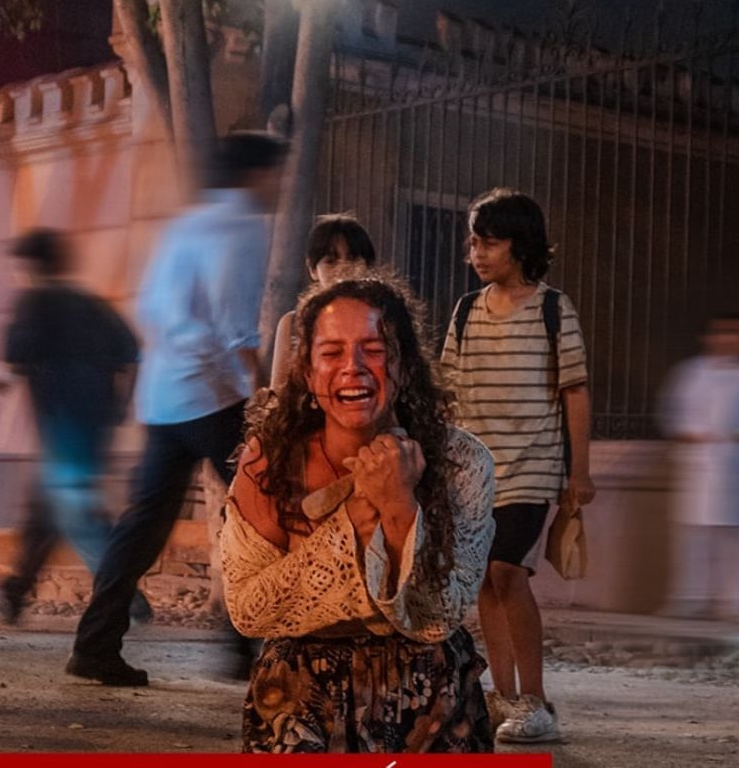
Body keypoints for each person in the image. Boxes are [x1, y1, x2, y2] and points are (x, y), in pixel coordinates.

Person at [222, 274, 495, 753]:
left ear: (404, 365)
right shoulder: (268, 461)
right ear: (307, 373)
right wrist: (360, 513)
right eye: (330, 353)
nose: (352, 367)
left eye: (373, 349)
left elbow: (440, 614)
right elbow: (249, 609)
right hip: (300, 695)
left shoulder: (462, 464)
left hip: (429, 694)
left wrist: (399, 506)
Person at [66, 131, 288, 686]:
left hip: (164, 398)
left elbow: (156, 308)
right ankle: (246, 645)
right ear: (256, 174)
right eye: (274, 173)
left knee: (140, 528)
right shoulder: (244, 226)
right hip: (214, 394)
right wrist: (261, 387)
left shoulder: (188, 223)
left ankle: (95, 644)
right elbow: (235, 320)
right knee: (263, 516)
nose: (279, 185)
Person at [440, 188, 595, 744]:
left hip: (533, 466)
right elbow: (449, 393)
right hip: (475, 471)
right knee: (484, 579)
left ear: (520, 246)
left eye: (490, 242)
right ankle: (503, 698)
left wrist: (580, 473)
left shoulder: (555, 309)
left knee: (507, 571)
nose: (477, 252)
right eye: (473, 241)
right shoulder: (465, 312)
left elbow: (574, 391)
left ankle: (536, 699)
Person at [0, 228, 148, 624]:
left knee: (78, 517)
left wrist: (0, 377)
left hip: (60, 428)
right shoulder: (94, 305)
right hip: (94, 425)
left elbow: (12, 364)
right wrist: (121, 405)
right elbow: (132, 354)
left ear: (32, 266)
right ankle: (13, 595)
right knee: (46, 513)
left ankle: (126, 596)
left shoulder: (34, 302)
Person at [660, 313, 739, 623]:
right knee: (695, 537)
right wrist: (695, 433)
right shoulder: (691, 373)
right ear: (709, 336)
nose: (732, 339)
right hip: (701, 466)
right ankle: (691, 598)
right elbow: (673, 415)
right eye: (725, 332)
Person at [269, 213, 376, 392]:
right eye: (330, 261)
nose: (343, 269)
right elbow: (278, 395)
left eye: (352, 258)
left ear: (368, 264)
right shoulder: (294, 325)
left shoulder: (386, 320)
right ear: (313, 270)